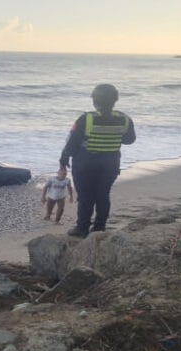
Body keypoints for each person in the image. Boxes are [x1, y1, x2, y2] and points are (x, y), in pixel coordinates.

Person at [59, 83, 136, 238]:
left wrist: (63, 160)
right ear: (115, 100)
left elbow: (71, 145)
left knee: (86, 195)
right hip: (110, 163)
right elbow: (130, 140)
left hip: (85, 164)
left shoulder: (86, 119)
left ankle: (82, 228)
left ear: (95, 101)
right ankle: (99, 227)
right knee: (102, 194)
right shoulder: (124, 119)